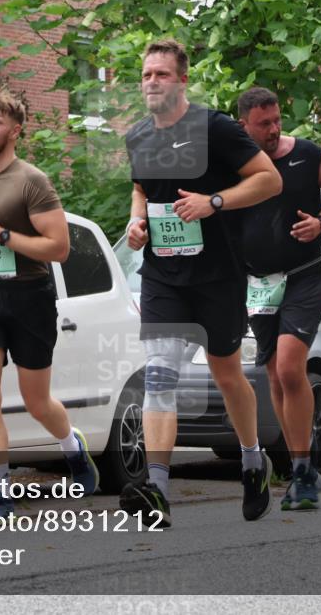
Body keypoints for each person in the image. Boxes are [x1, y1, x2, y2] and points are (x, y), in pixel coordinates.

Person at [121, 40, 283, 527]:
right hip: (164, 275)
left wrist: (213, 202)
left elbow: (268, 180)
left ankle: (253, 459)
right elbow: (142, 190)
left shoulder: (215, 128)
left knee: (227, 374)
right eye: (146, 74)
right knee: (159, 372)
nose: (152, 82)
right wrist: (136, 223)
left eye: (162, 75)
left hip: (217, 274)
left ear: (182, 81)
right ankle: (157, 488)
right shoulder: (138, 136)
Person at [0, 86, 99, 521]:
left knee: (37, 402)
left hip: (30, 298)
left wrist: (1, 235)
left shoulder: (31, 181)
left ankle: (72, 448)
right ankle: (0, 495)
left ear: (15, 131)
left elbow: (59, 249)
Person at [236, 86, 321, 510]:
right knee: (274, 375)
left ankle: (303, 469)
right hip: (258, 284)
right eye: (264, 123)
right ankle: (301, 469)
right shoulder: (236, 165)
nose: (274, 129)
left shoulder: (306, 153)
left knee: (289, 366)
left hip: (305, 276)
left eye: (277, 119)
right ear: (244, 124)